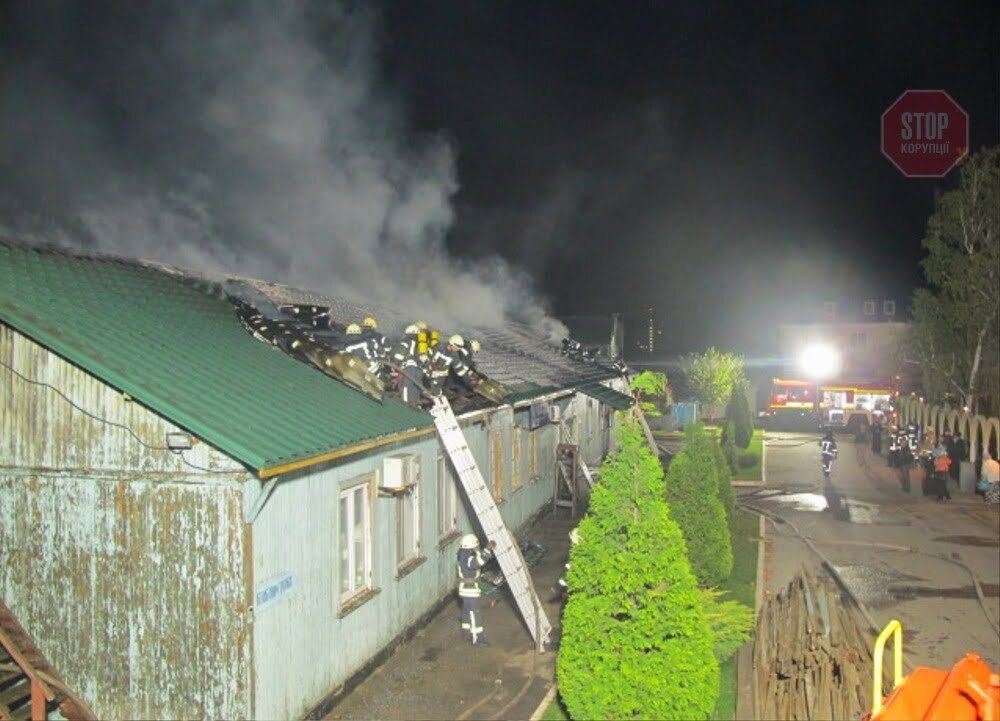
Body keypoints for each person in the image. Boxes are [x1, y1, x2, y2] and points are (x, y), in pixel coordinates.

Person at [457, 534, 495, 646]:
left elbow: (476, 559)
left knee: (466, 611)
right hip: (470, 591)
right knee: (475, 614)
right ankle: (478, 639)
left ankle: (465, 633)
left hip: (465, 590)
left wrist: (478, 551)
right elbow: (478, 562)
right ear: (472, 546)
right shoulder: (467, 558)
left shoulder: (463, 554)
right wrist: (487, 550)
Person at [393, 324, 426, 407]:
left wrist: (395, 366)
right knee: (415, 391)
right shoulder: (420, 345)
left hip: (408, 370)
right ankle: (416, 408)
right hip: (418, 371)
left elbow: (399, 355)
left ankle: (406, 410)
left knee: (406, 390)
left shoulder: (406, 341)